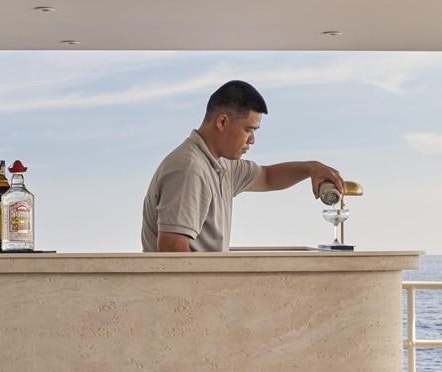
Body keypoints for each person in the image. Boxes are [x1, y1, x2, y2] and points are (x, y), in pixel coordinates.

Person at [141, 80, 344, 252]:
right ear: (222, 122)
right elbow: (172, 253)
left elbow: (267, 176)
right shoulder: (190, 169)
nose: (252, 140)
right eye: (248, 130)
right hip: (185, 298)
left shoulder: (222, 165)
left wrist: (311, 169)